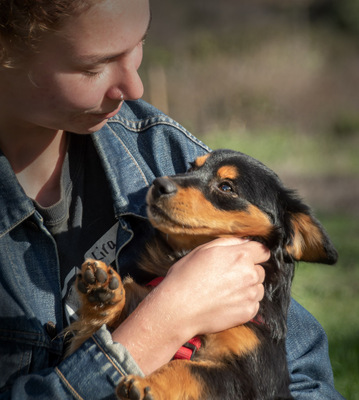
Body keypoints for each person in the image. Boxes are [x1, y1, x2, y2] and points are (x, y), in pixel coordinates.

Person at [0, 0, 344, 398]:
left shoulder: (158, 150)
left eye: (138, 45)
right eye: (93, 67)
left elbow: (301, 375)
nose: (134, 88)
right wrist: (163, 321)